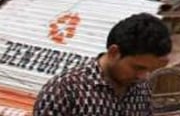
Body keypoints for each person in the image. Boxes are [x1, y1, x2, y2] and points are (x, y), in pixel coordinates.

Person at [34, 12, 172, 116]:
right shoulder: (64, 91)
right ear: (114, 53)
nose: (143, 76)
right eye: (138, 68)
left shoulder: (140, 89)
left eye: (149, 70)